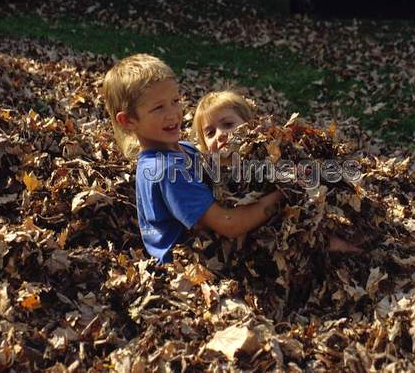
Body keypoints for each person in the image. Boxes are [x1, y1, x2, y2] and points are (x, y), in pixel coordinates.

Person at [102, 55, 283, 263]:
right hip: (189, 268)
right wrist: (282, 194)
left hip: (210, 249)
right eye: (158, 107)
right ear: (128, 120)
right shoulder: (167, 170)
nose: (173, 114)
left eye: (175, 101)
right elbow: (229, 224)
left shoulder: (184, 149)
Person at [193, 90, 363, 254]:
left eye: (228, 124)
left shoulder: (273, 155)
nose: (220, 135)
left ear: (251, 125)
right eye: (210, 133)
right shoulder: (212, 178)